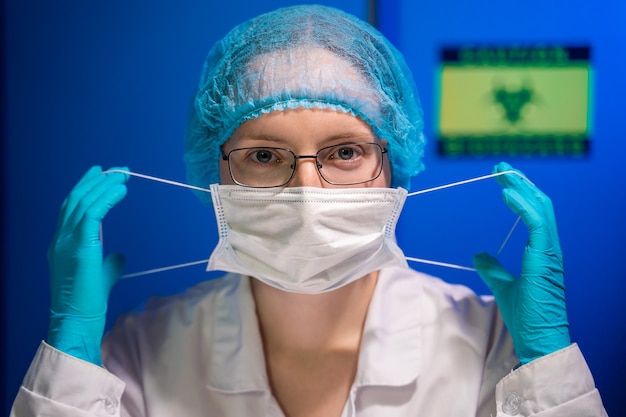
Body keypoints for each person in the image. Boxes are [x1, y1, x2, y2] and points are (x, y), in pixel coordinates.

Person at [11, 4, 607, 417]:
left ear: (393, 165)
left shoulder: (486, 347)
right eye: (265, 156)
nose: (307, 190)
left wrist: (548, 365)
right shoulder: (143, 352)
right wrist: (72, 357)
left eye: (344, 152)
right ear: (213, 174)